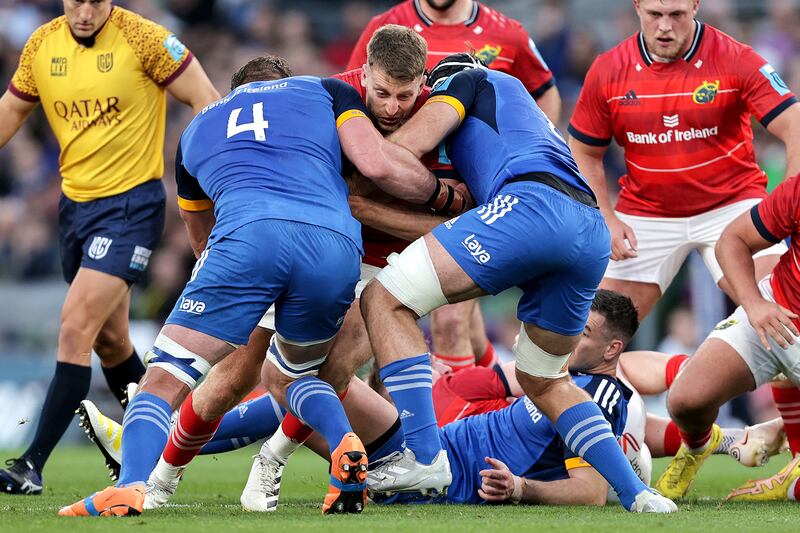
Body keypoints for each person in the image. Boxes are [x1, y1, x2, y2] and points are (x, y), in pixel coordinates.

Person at [57, 54, 466, 518]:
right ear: (285, 84)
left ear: (235, 92)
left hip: (248, 237)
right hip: (336, 246)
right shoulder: (326, 91)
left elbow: (200, 237)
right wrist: (444, 197)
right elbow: (375, 164)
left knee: (168, 375)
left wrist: (229, 288)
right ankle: (344, 444)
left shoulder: (198, 126)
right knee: (296, 375)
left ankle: (134, 482)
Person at [356, 52, 674, 513]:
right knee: (544, 379)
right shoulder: (523, 111)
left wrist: (353, 186)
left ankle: (423, 457)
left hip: (530, 205)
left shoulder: (467, 81)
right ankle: (637, 493)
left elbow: (395, 152)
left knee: (383, 298)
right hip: (586, 229)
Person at [567, 0, 800, 474]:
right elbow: (584, 153)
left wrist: (792, 203)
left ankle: (797, 456)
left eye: (676, 12)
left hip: (732, 206)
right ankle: (700, 440)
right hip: (646, 213)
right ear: (637, 7)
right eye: (654, 14)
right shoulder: (608, 70)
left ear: (695, 5)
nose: (665, 25)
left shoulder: (737, 58)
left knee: (784, 315)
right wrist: (606, 217)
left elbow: (794, 125)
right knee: (587, 342)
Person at [0, 0, 219, 495]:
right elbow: (11, 110)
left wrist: (200, 178)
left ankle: (30, 464)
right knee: (111, 342)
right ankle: (161, 449)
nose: (83, 10)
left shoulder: (146, 39)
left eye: (95, 0)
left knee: (75, 326)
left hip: (130, 207)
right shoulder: (42, 44)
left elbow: (206, 99)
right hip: (75, 209)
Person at [347, 0, 562, 373]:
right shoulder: (385, 25)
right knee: (420, 326)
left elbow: (546, 95)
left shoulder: (509, 32)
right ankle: (488, 394)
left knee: (444, 324)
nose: (393, 105)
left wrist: (529, 155)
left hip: (474, 190)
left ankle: (453, 418)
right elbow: (358, 94)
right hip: (400, 193)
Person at [658, 173, 800, 501]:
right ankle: (698, 446)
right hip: (778, 308)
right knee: (686, 400)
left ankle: (791, 477)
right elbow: (732, 240)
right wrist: (754, 304)